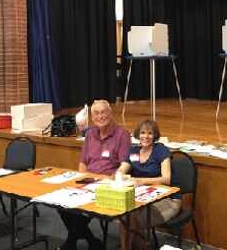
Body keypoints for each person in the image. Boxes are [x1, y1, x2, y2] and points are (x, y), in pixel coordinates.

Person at [58, 99, 131, 250]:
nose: (100, 116)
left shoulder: (122, 134)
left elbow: (125, 163)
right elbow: (83, 162)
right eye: (96, 113)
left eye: (104, 112)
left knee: (80, 210)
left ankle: (71, 243)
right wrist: (79, 180)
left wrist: (113, 178)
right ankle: (92, 241)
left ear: (110, 113)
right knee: (61, 204)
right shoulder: (90, 133)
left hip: (106, 184)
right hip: (87, 181)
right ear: (92, 117)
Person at [117, 119, 181, 250]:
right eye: (142, 133)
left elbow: (166, 179)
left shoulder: (160, 150)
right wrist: (121, 176)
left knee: (131, 218)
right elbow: (121, 170)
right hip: (143, 198)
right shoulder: (133, 151)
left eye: (150, 133)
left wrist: (140, 181)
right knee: (127, 215)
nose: (146, 136)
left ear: (155, 135)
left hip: (167, 200)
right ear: (138, 134)